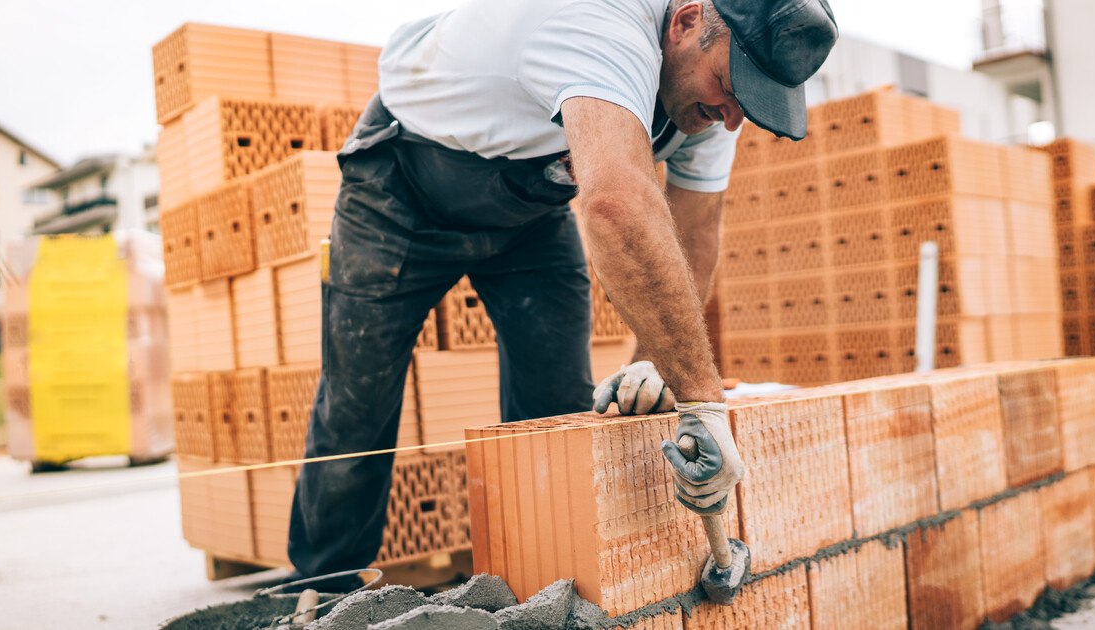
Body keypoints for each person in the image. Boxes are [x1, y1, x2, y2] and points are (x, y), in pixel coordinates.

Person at [286, 0, 838, 590]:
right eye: (730, 88)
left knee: (553, 410)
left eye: (749, 106)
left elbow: (694, 233)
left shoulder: (707, 99)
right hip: (402, 185)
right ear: (685, 23)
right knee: (357, 402)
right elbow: (617, 202)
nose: (732, 118)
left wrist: (653, 368)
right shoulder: (598, 21)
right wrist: (701, 400)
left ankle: (539, 589)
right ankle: (323, 593)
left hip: (529, 210)